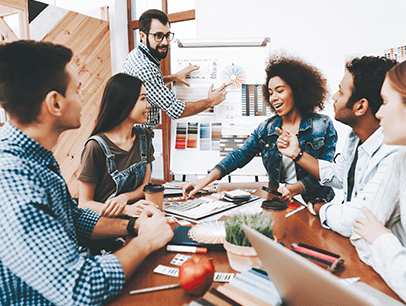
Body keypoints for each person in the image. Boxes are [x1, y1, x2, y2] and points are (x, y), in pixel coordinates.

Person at [0, 40, 173, 305]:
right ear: (55, 103)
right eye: (78, 91)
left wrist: (133, 225)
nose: (83, 100)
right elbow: (80, 290)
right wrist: (145, 241)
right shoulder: (14, 183)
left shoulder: (35, 160)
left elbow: (72, 217)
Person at [183, 54, 337, 205]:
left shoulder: (322, 125)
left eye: (280, 90)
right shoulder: (266, 129)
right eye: (270, 93)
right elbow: (240, 155)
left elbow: (324, 173)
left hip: (317, 203)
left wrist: (293, 189)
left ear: (296, 91)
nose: (273, 98)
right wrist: (205, 180)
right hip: (280, 200)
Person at [276, 56, 398, 237]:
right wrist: (296, 153)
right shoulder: (355, 138)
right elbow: (340, 175)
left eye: (340, 92)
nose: (333, 96)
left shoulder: (393, 153)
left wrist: (319, 207)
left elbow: (355, 219)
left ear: (360, 106)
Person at [352, 61, 406, 302]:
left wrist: (382, 240)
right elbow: (360, 234)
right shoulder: (401, 161)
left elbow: (372, 235)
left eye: (384, 102)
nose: (379, 113)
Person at [122, 9, 227, 129]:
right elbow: (176, 110)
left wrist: (174, 77)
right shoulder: (145, 67)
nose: (165, 42)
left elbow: (149, 84)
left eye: (167, 35)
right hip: (138, 138)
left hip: (134, 134)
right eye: (158, 36)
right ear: (142, 35)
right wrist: (210, 102)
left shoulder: (136, 54)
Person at [78, 73, 155, 218]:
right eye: (143, 99)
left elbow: (145, 187)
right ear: (125, 103)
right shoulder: (95, 147)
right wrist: (124, 209)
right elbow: (84, 203)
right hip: (106, 225)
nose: (148, 105)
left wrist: (124, 198)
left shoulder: (144, 136)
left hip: (138, 219)